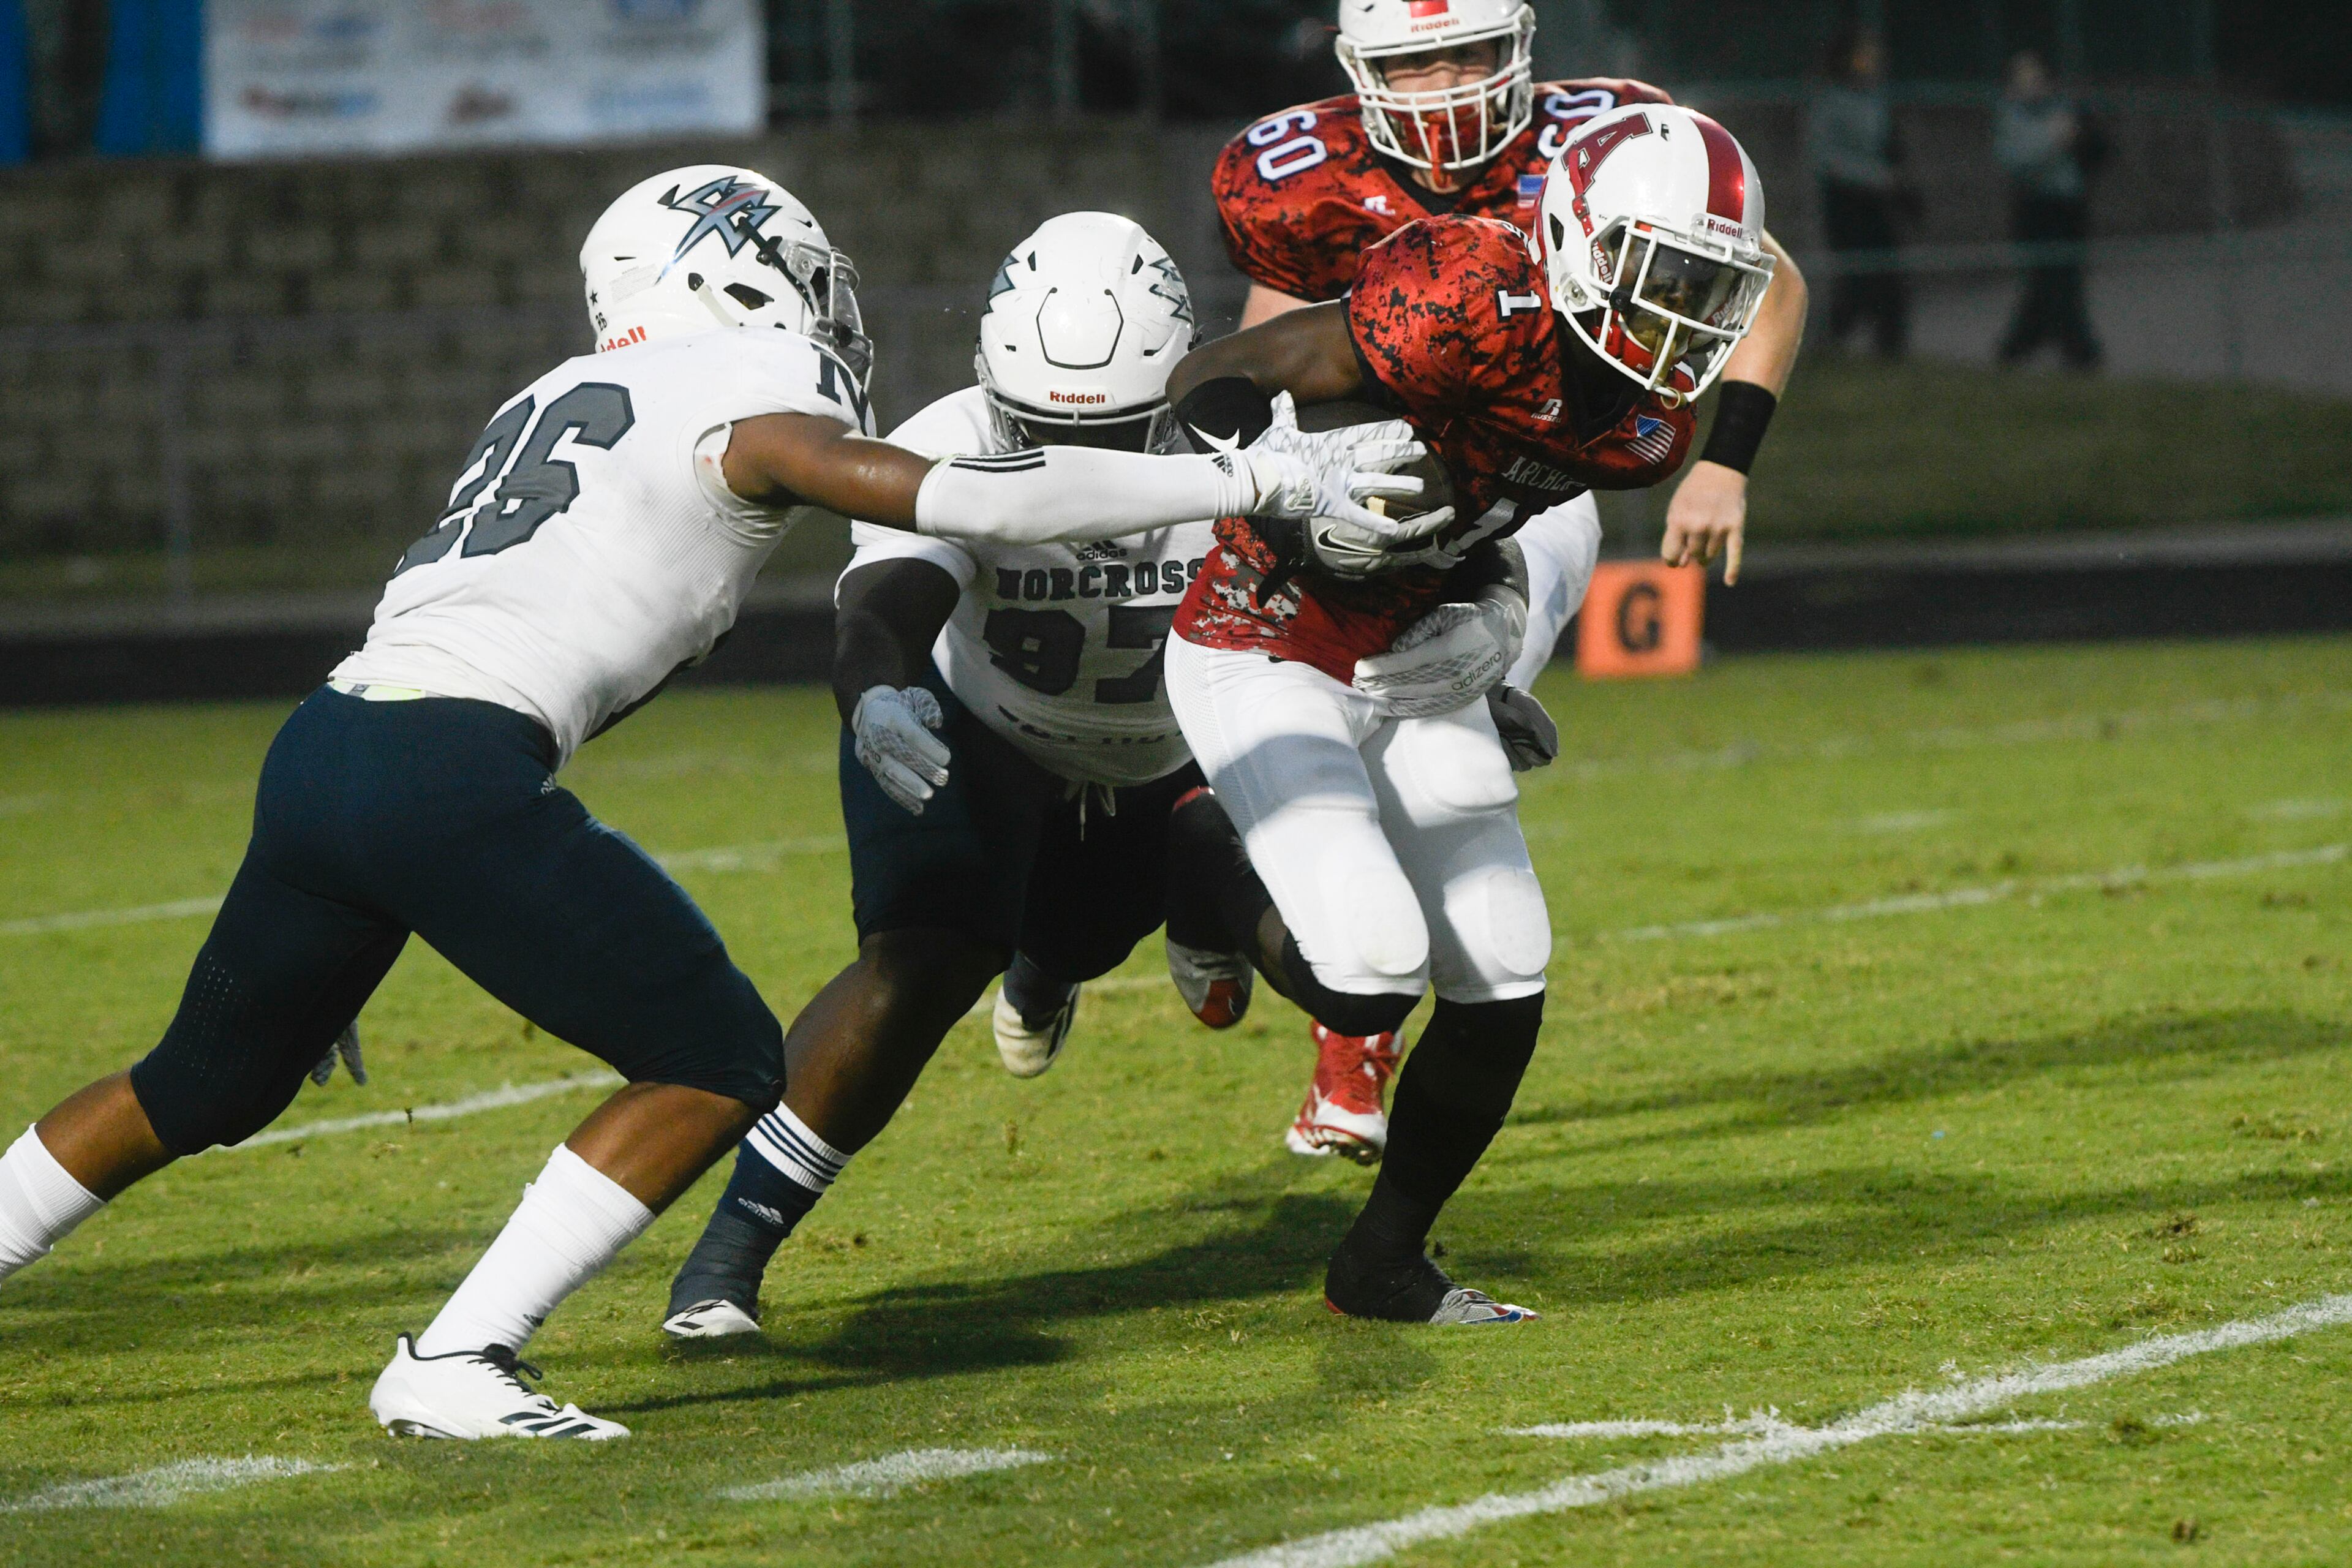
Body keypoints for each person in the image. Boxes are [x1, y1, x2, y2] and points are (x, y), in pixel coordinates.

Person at [0, 166, 1441, 1438]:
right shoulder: (741, 398)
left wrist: (360, 874)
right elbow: (972, 500)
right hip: (443, 768)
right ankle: (455, 1353)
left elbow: (428, 609)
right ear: (736, 274)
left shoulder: (544, 396)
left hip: (334, 743)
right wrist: (1257, 470)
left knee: (201, 1084)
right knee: (713, 1056)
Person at [1162, 104, 1793, 1324]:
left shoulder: (1649, 427)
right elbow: (1215, 376)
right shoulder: (1463, 294)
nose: (1680, 313)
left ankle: (1383, 1261)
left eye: (1705, 288)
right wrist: (1297, 486)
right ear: (1573, 239)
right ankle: (1184, 857)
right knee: (1370, 970)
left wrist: (1496, 612)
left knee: (1504, 966)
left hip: (1413, 653)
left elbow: (1499, 525)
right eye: (1658, 272)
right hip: (1265, 626)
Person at [662, 211, 1257, 1337]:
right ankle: (729, 1257)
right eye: (1037, 428)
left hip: (1158, 749)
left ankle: (1072, 951)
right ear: (995, 384)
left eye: (1123, 432)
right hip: (976, 727)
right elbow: (882, 606)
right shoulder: (952, 434)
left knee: (1078, 939)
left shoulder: (1240, 438)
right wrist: (873, 689)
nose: (1081, 462)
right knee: (918, 965)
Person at [1995, 49, 2103, 370]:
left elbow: (2096, 153)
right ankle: (2080, 352)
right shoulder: (2011, 117)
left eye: (2038, 77)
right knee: (2054, 281)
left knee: (2057, 282)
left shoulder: (2064, 110)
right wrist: (2057, 137)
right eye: (2024, 78)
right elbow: (2019, 160)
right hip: (2036, 209)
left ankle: (2018, 347)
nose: (2033, 85)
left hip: (2068, 207)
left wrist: (2081, 133)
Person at [1807, 24, 1910, 358]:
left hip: (1877, 203)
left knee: (1887, 274)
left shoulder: (1877, 99)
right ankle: (1830, 343)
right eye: (1864, 54)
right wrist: (1877, 177)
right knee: (1854, 276)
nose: (1872, 60)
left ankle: (1890, 348)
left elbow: (1888, 146)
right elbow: (1825, 157)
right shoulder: (1832, 100)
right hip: (1847, 200)